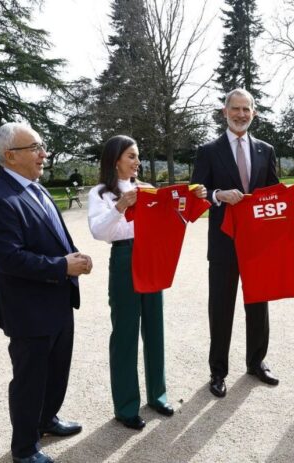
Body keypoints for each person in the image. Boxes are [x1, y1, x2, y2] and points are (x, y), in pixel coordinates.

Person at [0, 122, 92, 463]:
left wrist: (74, 255)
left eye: (41, 146)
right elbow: (10, 259)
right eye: (35, 148)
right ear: (10, 156)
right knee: (30, 380)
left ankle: (47, 419)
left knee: (56, 371)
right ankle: (24, 448)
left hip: (58, 301)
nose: (44, 154)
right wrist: (62, 266)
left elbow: (55, 237)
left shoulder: (37, 189)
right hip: (29, 310)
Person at [191, 88, 294, 398]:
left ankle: (256, 363)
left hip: (258, 245)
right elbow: (196, 192)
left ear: (254, 113)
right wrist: (218, 195)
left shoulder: (265, 150)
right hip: (223, 243)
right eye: (236, 109)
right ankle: (218, 371)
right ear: (225, 112)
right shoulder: (208, 151)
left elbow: (273, 192)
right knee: (221, 307)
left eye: (246, 109)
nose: (241, 114)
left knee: (258, 304)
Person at [87, 135, 206, 430]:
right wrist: (120, 206)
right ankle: (126, 407)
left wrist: (196, 195)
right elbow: (98, 232)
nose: (137, 162)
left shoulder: (147, 189)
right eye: (131, 156)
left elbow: (172, 215)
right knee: (125, 332)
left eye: (138, 156)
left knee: (155, 328)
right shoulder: (101, 193)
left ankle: (157, 395)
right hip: (125, 258)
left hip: (152, 256)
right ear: (115, 160)